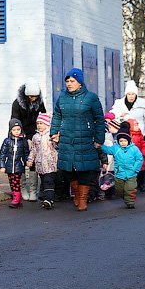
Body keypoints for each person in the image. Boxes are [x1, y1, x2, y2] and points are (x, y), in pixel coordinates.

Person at [49, 67, 105, 212]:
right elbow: (57, 116)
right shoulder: (62, 97)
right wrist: (54, 132)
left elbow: (99, 119)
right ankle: (77, 192)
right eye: (67, 81)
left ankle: (82, 199)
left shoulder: (91, 98)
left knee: (84, 170)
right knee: (68, 170)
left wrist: (99, 139)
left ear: (79, 82)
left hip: (85, 138)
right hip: (67, 138)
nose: (69, 83)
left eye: (72, 81)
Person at [11, 79, 46, 203]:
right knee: (21, 162)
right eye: (31, 96)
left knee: (33, 162)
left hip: (35, 134)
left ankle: (33, 189)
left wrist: (39, 135)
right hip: (21, 135)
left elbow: (43, 117)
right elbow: (15, 122)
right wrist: (24, 138)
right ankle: (23, 188)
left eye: (35, 97)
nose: (33, 99)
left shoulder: (39, 103)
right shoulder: (17, 104)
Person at [100, 121, 143, 209]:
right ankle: (126, 197)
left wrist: (135, 169)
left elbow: (139, 159)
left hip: (131, 173)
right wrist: (100, 146)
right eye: (121, 141)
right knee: (119, 190)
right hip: (119, 174)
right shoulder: (116, 148)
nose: (123, 143)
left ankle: (130, 203)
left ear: (129, 140)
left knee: (129, 189)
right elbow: (107, 150)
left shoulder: (134, 149)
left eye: (125, 141)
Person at [28, 113, 59, 208]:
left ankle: (49, 200)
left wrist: (56, 141)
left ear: (47, 124)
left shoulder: (51, 135)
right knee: (43, 180)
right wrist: (30, 159)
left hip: (51, 164)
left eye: (41, 123)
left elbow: (57, 147)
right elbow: (33, 150)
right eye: (38, 123)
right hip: (40, 164)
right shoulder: (35, 137)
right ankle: (44, 196)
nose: (39, 125)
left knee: (48, 181)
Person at [0, 118, 30, 208]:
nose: (16, 132)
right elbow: (2, 154)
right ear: (10, 130)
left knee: (16, 182)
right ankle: (16, 197)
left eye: (18, 129)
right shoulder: (7, 141)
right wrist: (2, 165)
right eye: (14, 130)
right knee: (12, 182)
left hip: (18, 165)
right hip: (9, 165)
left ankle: (16, 199)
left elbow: (26, 153)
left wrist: (27, 161)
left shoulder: (23, 141)